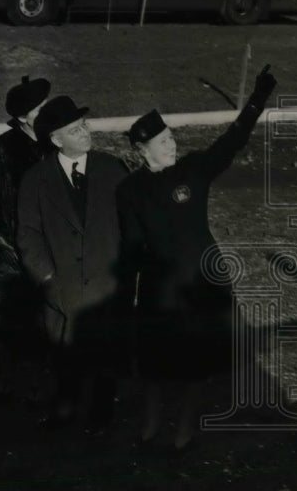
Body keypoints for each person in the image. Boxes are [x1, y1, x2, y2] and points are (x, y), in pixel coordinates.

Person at [117, 65, 277, 451]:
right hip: (161, 287)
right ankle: (152, 422)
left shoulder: (193, 169)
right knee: (155, 362)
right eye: (163, 141)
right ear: (142, 149)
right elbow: (132, 245)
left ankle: (185, 427)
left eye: (171, 137)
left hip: (204, 282)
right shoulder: (130, 190)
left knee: (197, 362)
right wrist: (129, 294)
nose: (171, 145)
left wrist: (257, 99)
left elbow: (232, 140)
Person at [17, 95, 130, 433]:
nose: (85, 133)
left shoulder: (113, 169)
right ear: (56, 139)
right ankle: (64, 412)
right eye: (75, 129)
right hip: (63, 285)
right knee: (66, 355)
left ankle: (101, 417)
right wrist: (47, 277)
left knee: (106, 356)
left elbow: (131, 225)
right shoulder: (35, 180)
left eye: (85, 126)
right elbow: (28, 234)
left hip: (106, 285)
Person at [0, 75, 51, 395]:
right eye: (42, 109)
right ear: (23, 117)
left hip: (54, 249)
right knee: (17, 321)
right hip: (13, 249)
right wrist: (9, 243)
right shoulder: (0, 150)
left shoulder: (56, 145)